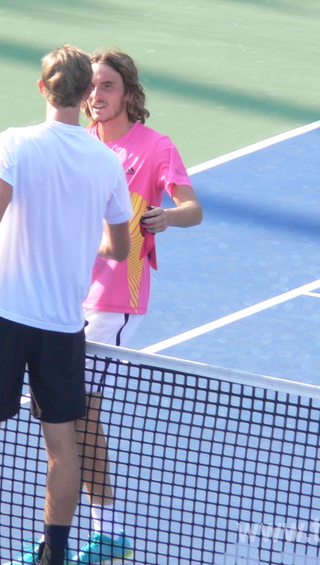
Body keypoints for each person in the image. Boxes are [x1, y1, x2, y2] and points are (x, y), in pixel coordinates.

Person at [0, 46, 132, 565]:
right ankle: (56, 555)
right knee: (63, 445)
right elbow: (118, 247)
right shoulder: (107, 161)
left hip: (2, 317)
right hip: (64, 328)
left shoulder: (16, 143)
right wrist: (71, 239)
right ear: (85, 94)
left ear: (43, 87)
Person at [72, 48, 203, 565]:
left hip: (115, 299)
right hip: (65, 292)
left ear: (127, 92)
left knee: (78, 410)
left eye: (106, 86)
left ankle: (106, 532)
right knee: (67, 414)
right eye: (90, 87)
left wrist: (167, 219)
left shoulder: (154, 147)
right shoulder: (78, 145)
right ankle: (83, 531)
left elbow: (192, 207)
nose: (96, 96)